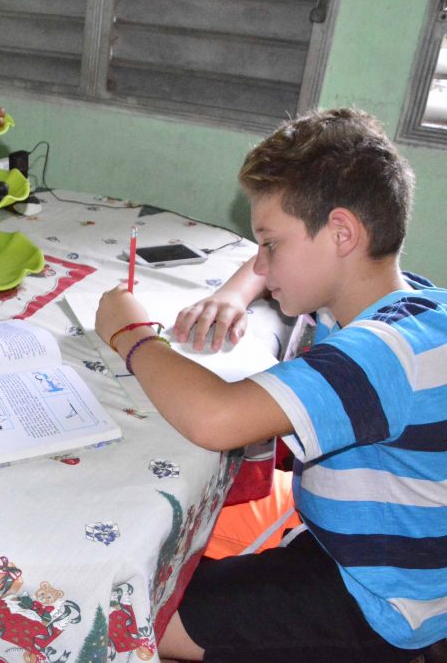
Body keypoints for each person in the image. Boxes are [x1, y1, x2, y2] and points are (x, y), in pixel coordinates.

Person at [96, 108, 446, 662]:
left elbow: (217, 419)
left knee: (127, 621)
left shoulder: (379, 355)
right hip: (362, 557)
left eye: (270, 244)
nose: (260, 262)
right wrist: (237, 292)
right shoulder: (404, 306)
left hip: (373, 604)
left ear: (342, 234)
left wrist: (131, 335)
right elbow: (278, 266)